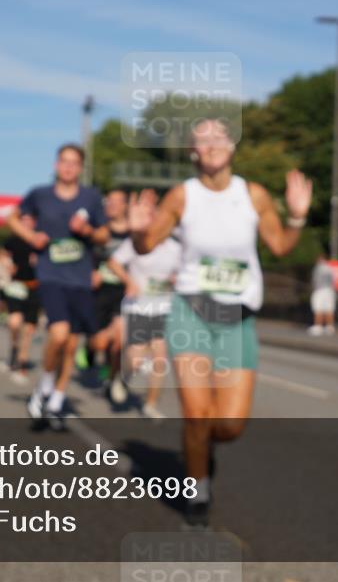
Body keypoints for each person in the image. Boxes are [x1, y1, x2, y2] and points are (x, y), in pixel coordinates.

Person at [128, 118, 312, 527]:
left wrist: (297, 218)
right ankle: (198, 488)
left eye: (219, 137)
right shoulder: (182, 196)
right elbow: (147, 245)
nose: (211, 144)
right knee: (197, 414)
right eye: (201, 139)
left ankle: (204, 451)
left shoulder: (254, 194)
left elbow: (280, 246)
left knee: (228, 425)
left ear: (232, 146)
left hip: (238, 319)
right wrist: (138, 232)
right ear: (193, 151)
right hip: (191, 311)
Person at [6, 143, 109, 430]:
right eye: (64, 161)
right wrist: (31, 236)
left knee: (72, 343)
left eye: (74, 162)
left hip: (80, 279)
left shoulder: (91, 197)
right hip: (51, 275)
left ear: (81, 168)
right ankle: (45, 385)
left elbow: (104, 234)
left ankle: (55, 400)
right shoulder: (40, 195)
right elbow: (12, 218)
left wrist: (87, 231)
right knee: (59, 333)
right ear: (56, 165)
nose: (68, 167)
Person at [107, 217, 181, 420]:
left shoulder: (176, 248)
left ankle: (150, 404)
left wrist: (176, 278)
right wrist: (128, 281)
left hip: (164, 308)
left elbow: (184, 271)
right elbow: (113, 263)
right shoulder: (137, 243)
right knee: (136, 359)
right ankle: (124, 378)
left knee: (159, 359)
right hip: (138, 307)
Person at [89, 188, 130, 404]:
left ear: (125, 205)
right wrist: (91, 271)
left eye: (117, 201)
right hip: (100, 291)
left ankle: (114, 379)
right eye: (109, 201)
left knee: (119, 341)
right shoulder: (100, 232)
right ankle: (90, 351)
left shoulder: (134, 232)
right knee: (100, 343)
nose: (112, 205)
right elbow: (86, 253)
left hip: (124, 293)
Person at [1, 215, 40, 376]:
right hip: (17, 285)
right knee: (14, 322)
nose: (27, 223)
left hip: (35, 287)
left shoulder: (40, 239)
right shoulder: (13, 240)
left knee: (30, 327)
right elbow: (2, 255)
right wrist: (8, 264)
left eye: (30, 220)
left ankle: (22, 357)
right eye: (24, 220)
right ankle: (14, 346)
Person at [308, 254, 337, 336]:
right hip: (330, 291)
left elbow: (314, 281)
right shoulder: (330, 268)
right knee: (329, 309)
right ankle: (330, 327)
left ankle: (318, 326)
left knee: (318, 308)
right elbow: (333, 281)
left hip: (320, 290)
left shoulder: (318, 268)